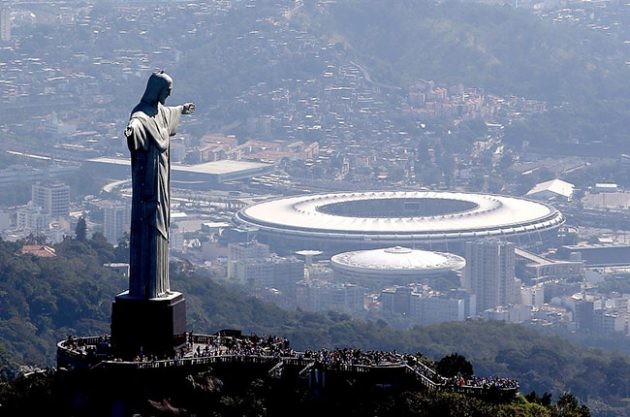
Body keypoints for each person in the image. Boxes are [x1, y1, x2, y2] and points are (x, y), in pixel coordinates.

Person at [124, 71, 195, 299]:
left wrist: (183, 108)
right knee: (149, 228)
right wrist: (131, 131)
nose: (169, 94)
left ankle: (160, 287)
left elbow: (170, 112)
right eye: (167, 90)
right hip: (149, 183)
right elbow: (136, 123)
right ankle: (147, 288)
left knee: (161, 225)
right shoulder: (142, 115)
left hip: (162, 180)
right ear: (157, 90)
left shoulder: (160, 112)